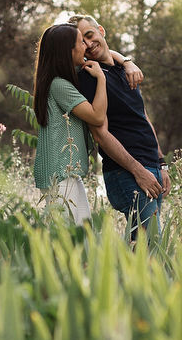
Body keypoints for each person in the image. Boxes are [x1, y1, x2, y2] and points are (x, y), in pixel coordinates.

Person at [68, 14, 171, 241]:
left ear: (101, 30)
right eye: (82, 41)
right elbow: (100, 133)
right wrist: (138, 171)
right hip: (127, 171)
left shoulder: (125, 70)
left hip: (150, 165)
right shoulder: (90, 77)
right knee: (149, 246)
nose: (88, 44)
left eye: (90, 35)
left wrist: (161, 163)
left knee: (145, 246)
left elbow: (142, 116)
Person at [31, 23, 107, 225]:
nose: (86, 46)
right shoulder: (59, 85)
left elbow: (107, 55)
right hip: (60, 174)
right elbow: (97, 116)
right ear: (68, 51)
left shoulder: (56, 81)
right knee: (72, 237)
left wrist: (127, 62)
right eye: (81, 42)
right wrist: (101, 78)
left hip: (66, 172)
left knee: (82, 234)